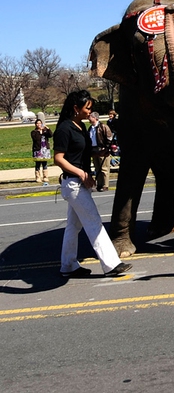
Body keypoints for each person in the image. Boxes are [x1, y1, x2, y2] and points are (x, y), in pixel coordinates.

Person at [53, 90, 132, 278]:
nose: (90, 111)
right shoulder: (64, 129)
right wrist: (80, 172)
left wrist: (101, 153)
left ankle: (68, 265)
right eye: (87, 108)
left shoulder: (80, 126)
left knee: (74, 226)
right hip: (73, 184)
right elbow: (58, 158)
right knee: (94, 222)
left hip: (80, 183)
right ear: (75, 108)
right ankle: (111, 264)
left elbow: (82, 153)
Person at [88, 111, 113, 192]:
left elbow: (109, 138)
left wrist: (106, 149)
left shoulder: (103, 126)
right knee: (97, 168)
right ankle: (99, 184)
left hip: (102, 149)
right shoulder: (90, 128)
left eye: (90, 117)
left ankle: (105, 185)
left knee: (104, 168)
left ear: (95, 118)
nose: (89, 118)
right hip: (94, 150)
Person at [30, 118, 52, 184]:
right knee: (38, 164)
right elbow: (36, 139)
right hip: (38, 150)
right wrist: (40, 132)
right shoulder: (34, 132)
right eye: (37, 123)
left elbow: (51, 135)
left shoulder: (45, 131)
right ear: (35, 124)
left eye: (40, 123)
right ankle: (38, 177)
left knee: (45, 164)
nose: (39, 124)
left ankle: (45, 177)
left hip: (45, 149)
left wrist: (48, 129)